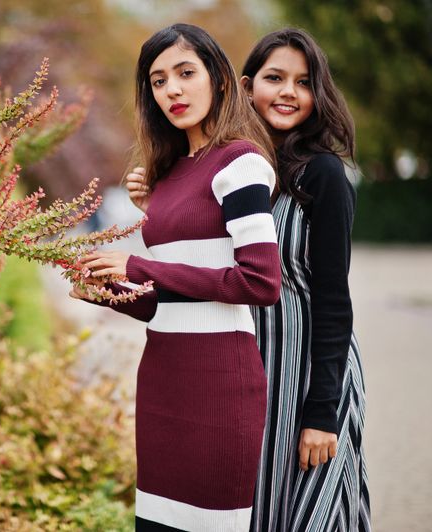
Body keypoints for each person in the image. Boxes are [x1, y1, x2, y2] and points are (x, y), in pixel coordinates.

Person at [71, 23, 281, 531]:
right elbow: (164, 299)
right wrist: (112, 291)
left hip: (219, 383)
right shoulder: (164, 180)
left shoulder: (241, 164)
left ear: (221, 80)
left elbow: (260, 282)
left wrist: (137, 265)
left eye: (186, 73)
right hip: (163, 380)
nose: (173, 90)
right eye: (159, 80)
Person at [238, 28, 371, 531]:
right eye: (275, 78)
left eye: (303, 81)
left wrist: (322, 413)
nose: (289, 92)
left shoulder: (323, 176)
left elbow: (335, 301)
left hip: (311, 376)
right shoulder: (233, 173)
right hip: (253, 376)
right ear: (248, 86)